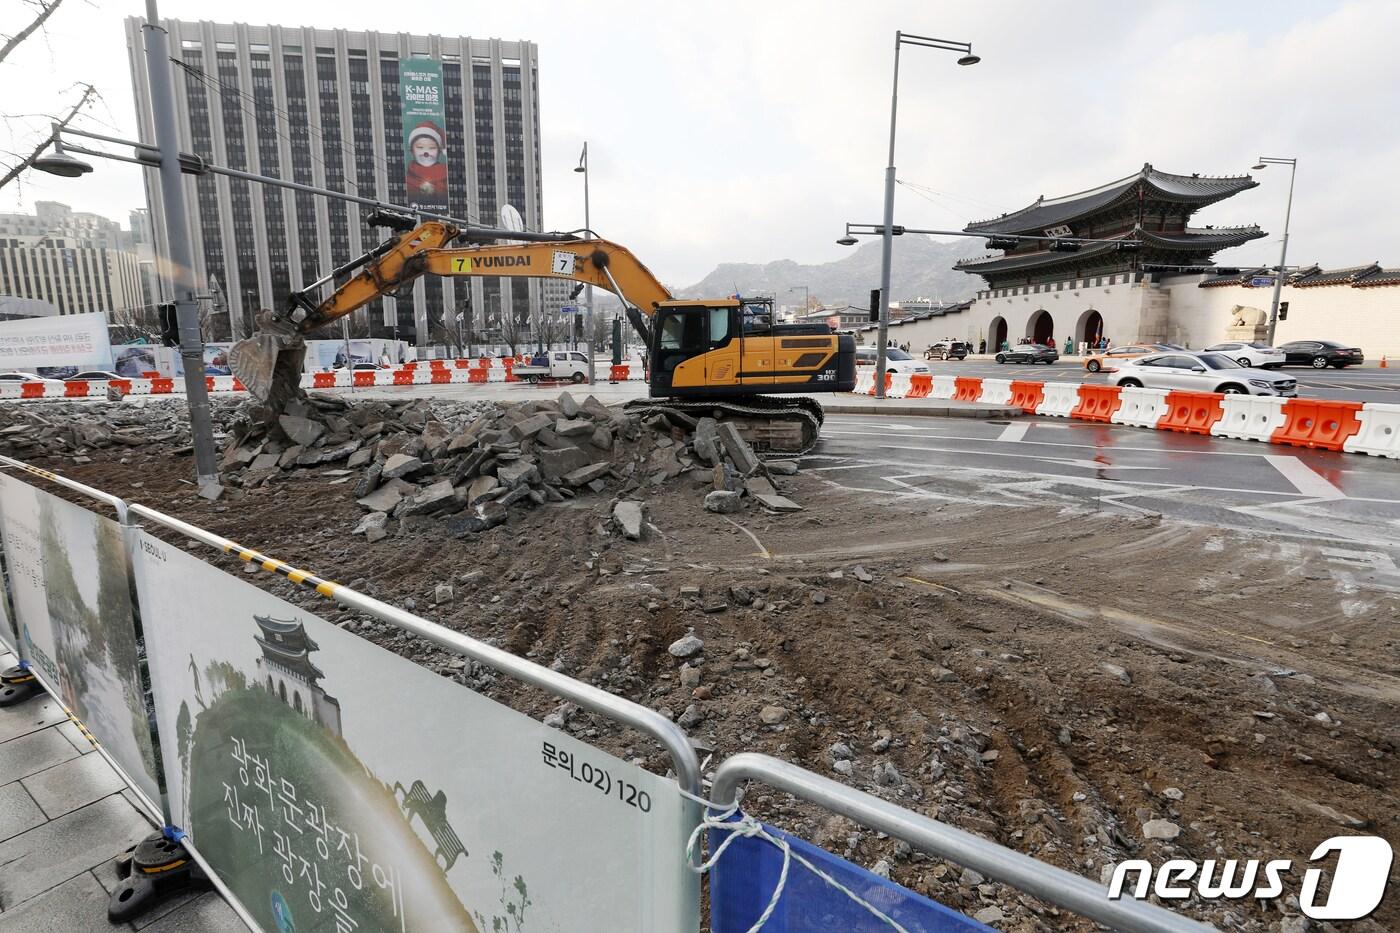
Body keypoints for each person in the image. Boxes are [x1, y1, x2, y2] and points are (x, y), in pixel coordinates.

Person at [405, 120, 448, 202]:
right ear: (411, 150)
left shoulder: (447, 177)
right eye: (420, 147)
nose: (426, 152)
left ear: (439, 151)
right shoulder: (407, 180)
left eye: (432, 148)